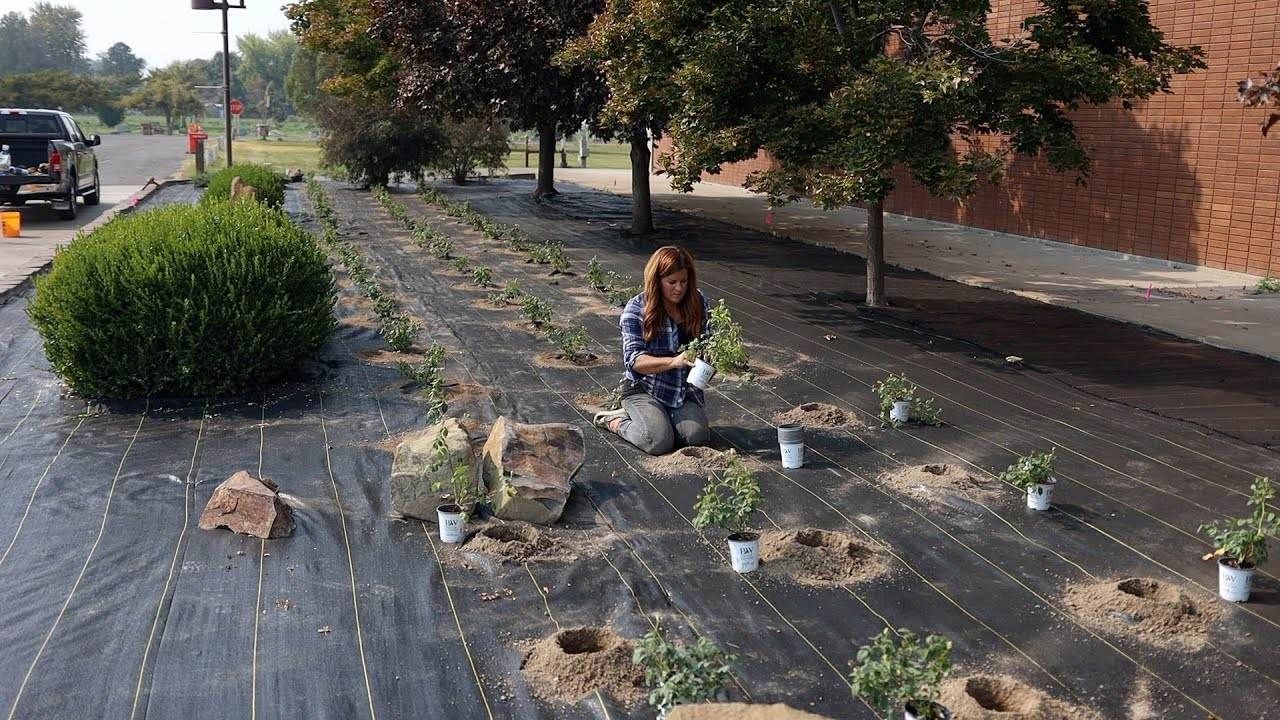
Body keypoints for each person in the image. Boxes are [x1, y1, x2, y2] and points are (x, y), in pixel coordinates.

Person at [593, 246, 712, 455]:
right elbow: (634, 361)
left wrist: (714, 358)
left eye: (684, 282)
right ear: (657, 281)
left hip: (681, 390)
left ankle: (662, 419)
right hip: (644, 388)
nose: (679, 288)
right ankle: (615, 420)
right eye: (671, 282)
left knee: (697, 438)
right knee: (658, 442)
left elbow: (710, 342)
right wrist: (674, 362)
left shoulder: (698, 302)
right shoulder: (637, 309)